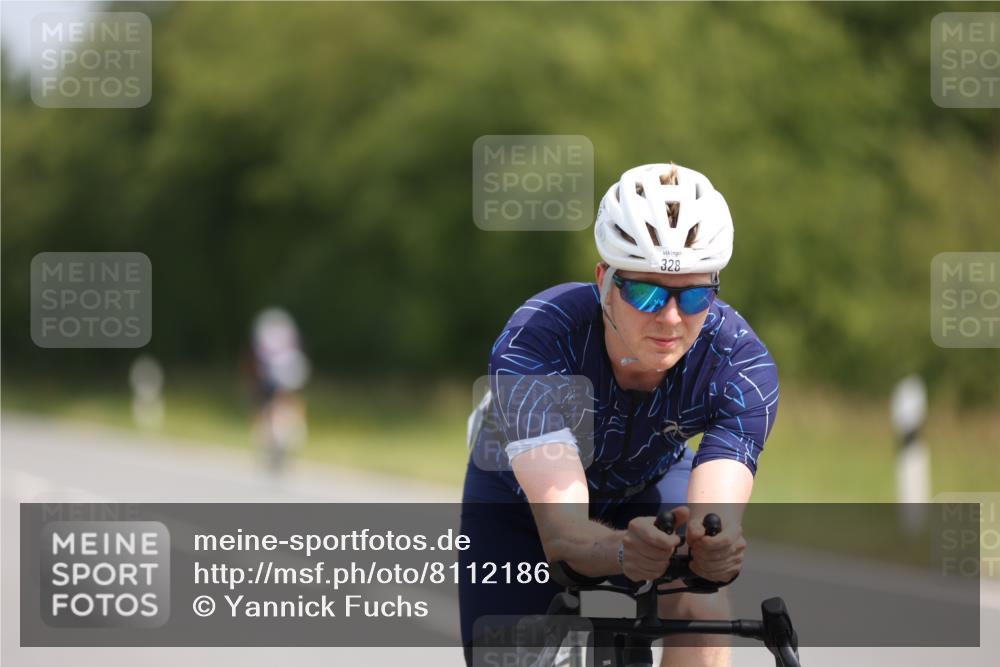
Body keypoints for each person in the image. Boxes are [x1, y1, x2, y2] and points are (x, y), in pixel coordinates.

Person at [460, 163, 779, 667]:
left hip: (646, 479)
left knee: (700, 606)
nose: (670, 318)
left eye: (695, 294)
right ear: (604, 281)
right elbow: (564, 535)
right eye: (646, 292)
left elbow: (715, 524)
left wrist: (715, 552)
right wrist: (623, 552)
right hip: (518, 494)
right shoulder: (539, 339)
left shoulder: (738, 364)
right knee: (515, 654)